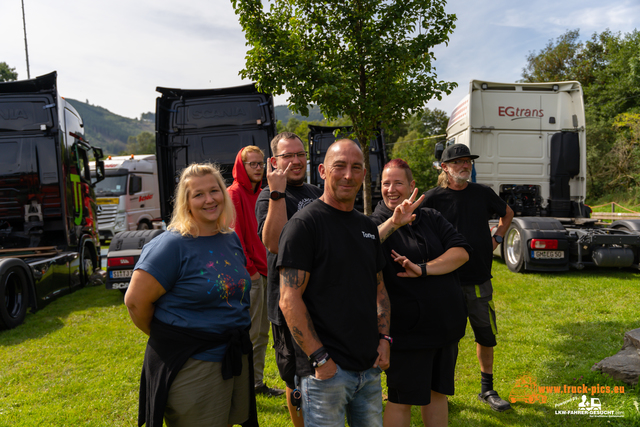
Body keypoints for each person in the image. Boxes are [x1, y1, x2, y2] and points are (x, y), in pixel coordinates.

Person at [125, 163, 257, 427]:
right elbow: (135, 302)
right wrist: (176, 339)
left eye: (214, 191)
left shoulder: (229, 238)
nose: (209, 199)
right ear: (185, 202)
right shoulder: (171, 245)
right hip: (195, 365)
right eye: (198, 194)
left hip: (234, 357)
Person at [277, 139, 391, 427]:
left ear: (365, 175)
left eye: (356, 168)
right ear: (323, 171)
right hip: (325, 373)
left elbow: (379, 290)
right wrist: (320, 359)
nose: (348, 175)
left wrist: (385, 340)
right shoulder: (304, 226)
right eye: (339, 166)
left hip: (368, 368)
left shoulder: (367, 227)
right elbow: (289, 299)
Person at [371, 159, 471, 427]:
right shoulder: (374, 224)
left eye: (398, 183)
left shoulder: (430, 217)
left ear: (412, 186)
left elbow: (460, 252)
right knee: (401, 400)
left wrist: (424, 269)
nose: (391, 189)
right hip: (407, 333)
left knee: (438, 393)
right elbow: (361, 251)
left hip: (445, 327)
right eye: (385, 183)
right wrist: (393, 223)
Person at [422, 143, 515, 412]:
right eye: (459, 162)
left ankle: (487, 390)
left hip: (479, 280)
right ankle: (437, 392)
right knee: (443, 338)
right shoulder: (433, 198)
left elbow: (507, 212)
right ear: (445, 167)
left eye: (468, 162)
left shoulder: (482, 193)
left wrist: (497, 237)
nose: (465, 166)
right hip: (445, 282)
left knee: (485, 335)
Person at [255, 132, 322, 425]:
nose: (296, 161)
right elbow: (273, 243)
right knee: (295, 376)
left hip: (321, 299)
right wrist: (277, 192)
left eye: (300, 155)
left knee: (322, 369)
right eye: (288, 156)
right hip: (288, 304)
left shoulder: (316, 191)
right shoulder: (266, 197)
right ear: (274, 161)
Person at [228, 146, 282, 398]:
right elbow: (235, 236)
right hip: (250, 273)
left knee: (261, 333)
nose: (259, 168)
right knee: (249, 333)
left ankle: (256, 383)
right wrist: (250, 269)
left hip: (266, 270)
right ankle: (242, 387)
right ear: (241, 165)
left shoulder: (263, 193)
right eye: (253, 164)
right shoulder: (234, 194)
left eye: (261, 163)